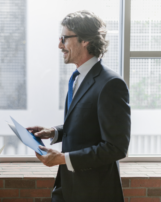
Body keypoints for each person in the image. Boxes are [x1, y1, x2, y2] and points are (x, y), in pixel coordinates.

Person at [27, 11, 130, 202]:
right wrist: (55, 132)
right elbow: (87, 124)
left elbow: (116, 147)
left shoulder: (111, 84)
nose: (59, 45)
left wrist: (62, 158)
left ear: (86, 40)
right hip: (68, 186)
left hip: (95, 192)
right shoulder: (78, 78)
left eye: (64, 38)